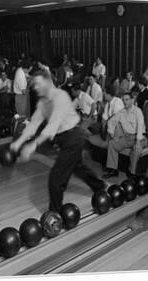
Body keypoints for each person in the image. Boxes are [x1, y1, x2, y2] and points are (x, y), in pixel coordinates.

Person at [10, 71, 106, 213]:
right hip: (64, 140)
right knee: (78, 167)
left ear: (48, 81)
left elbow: (52, 125)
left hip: (74, 137)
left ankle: (54, 215)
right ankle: (100, 186)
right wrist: (19, 142)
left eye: (37, 83)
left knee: (56, 179)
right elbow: (33, 124)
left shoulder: (60, 96)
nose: (34, 87)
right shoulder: (43, 103)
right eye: (33, 85)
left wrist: (33, 145)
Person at [103, 91, 146, 178]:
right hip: (127, 137)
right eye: (123, 100)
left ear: (132, 100)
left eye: (127, 99)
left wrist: (137, 142)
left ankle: (132, 173)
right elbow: (111, 122)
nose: (125, 102)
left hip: (140, 138)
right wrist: (112, 134)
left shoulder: (138, 111)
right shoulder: (121, 112)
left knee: (136, 149)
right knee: (112, 144)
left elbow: (140, 127)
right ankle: (113, 170)